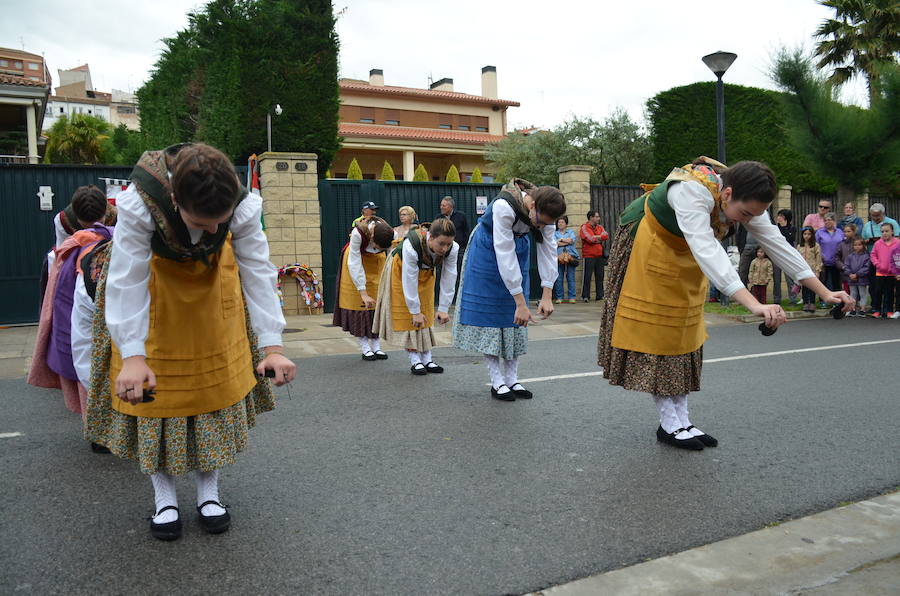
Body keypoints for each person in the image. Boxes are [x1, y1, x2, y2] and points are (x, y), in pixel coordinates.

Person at [84, 143, 296, 541]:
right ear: (175, 199)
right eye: (203, 220)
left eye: (222, 221)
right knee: (156, 400)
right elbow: (126, 278)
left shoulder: (244, 206)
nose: (215, 230)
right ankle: (164, 498)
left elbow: (257, 270)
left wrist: (273, 345)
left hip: (213, 293)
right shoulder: (138, 205)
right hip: (152, 295)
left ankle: (208, 494)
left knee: (209, 395)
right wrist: (131, 355)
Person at [598, 159, 851, 451]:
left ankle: (682, 420)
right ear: (727, 194)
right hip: (648, 247)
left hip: (684, 254)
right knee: (660, 337)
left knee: (684, 337)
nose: (745, 221)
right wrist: (754, 304)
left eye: (752, 216)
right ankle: (669, 423)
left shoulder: (745, 201)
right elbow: (708, 250)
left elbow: (777, 244)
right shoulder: (691, 193)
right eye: (744, 214)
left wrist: (825, 292)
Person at [453, 179, 565, 401]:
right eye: (540, 222)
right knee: (493, 319)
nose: (541, 227)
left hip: (518, 248)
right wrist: (521, 302)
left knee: (515, 322)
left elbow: (548, 251)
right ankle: (497, 381)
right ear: (532, 205)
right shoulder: (504, 207)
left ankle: (512, 379)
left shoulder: (547, 216)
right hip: (488, 251)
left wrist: (547, 294)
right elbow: (504, 254)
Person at [373, 218, 458, 374]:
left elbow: (449, 276)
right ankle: (415, 360)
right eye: (441, 244)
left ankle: (427, 359)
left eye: (448, 244)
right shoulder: (410, 246)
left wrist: (444, 307)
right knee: (409, 316)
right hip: (400, 270)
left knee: (426, 311)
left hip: (425, 272)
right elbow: (409, 280)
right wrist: (414, 310)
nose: (445, 248)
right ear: (430, 237)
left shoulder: (453, 248)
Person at [333, 212, 394, 359]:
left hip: (376, 264)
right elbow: (355, 264)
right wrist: (362, 292)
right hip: (356, 262)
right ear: (372, 237)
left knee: (375, 304)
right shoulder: (357, 234)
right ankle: (365, 346)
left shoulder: (390, 233)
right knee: (359, 305)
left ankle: (376, 345)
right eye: (376, 246)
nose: (377, 249)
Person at [870, 222, 899, 318]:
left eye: (887, 231)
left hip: (892, 273)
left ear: (892, 231)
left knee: (889, 292)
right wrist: (877, 264)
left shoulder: (897, 242)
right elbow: (873, 255)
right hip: (880, 272)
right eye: (882, 231)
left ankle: (889, 310)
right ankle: (877, 309)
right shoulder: (878, 243)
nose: (884, 233)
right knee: (878, 291)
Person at [579, 210, 608, 301]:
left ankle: (600, 296)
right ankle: (585, 296)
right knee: (587, 276)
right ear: (591, 218)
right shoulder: (584, 227)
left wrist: (596, 237)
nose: (598, 218)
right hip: (588, 256)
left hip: (599, 256)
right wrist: (599, 238)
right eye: (597, 217)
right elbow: (589, 239)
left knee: (600, 276)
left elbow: (606, 235)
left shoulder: (600, 227)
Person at [816, 213, 844, 294]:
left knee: (837, 282)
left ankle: (838, 300)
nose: (827, 222)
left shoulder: (839, 232)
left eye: (829, 220)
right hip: (824, 261)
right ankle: (823, 301)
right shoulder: (819, 232)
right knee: (823, 281)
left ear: (834, 221)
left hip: (837, 261)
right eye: (825, 220)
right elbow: (816, 245)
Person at [773, 208, 796, 304]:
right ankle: (777, 299)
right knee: (776, 279)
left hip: (787, 256)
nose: (778, 218)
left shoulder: (792, 228)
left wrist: (784, 227)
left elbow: (789, 239)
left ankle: (793, 299)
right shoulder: (774, 228)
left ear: (786, 218)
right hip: (776, 255)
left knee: (789, 278)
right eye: (778, 215)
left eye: (781, 216)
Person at [554, 216, 579, 303]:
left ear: (566, 224)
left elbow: (571, 240)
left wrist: (560, 240)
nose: (560, 224)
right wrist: (565, 241)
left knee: (571, 277)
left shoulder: (571, 232)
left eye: (562, 222)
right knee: (559, 278)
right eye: (559, 222)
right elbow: (554, 244)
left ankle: (572, 297)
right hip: (558, 257)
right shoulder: (554, 233)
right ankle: (559, 297)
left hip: (570, 256)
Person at [797, 227, 823, 312]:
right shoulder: (799, 246)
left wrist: (817, 270)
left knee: (812, 287)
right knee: (804, 287)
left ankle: (812, 303)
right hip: (802, 270)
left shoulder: (816, 245)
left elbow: (818, 258)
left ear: (812, 235)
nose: (807, 236)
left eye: (809, 234)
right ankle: (805, 303)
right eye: (805, 234)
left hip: (812, 270)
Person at [843, 237, 870, 316]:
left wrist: (857, 274)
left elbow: (866, 267)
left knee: (862, 293)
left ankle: (862, 308)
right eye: (855, 245)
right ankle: (853, 308)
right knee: (853, 293)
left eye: (859, 245)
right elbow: (846, 266)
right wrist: (850, 274)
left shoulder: (866, 256)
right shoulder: (850, 256)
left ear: (863, 245)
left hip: (862, 278)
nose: (857, 246)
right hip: (851, 278)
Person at [835, 223, 857, 294]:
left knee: (857, 291)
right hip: (845, 271)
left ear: (853, 232)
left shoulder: (858, 243)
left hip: (856, 271)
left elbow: (863, 256)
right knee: (846, 289)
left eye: (848, 231)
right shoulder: (841, 244)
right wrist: (842, 266)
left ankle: (858, 304)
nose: (846, 233)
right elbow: (837, 257)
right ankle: (847, 303)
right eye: (845, 231)